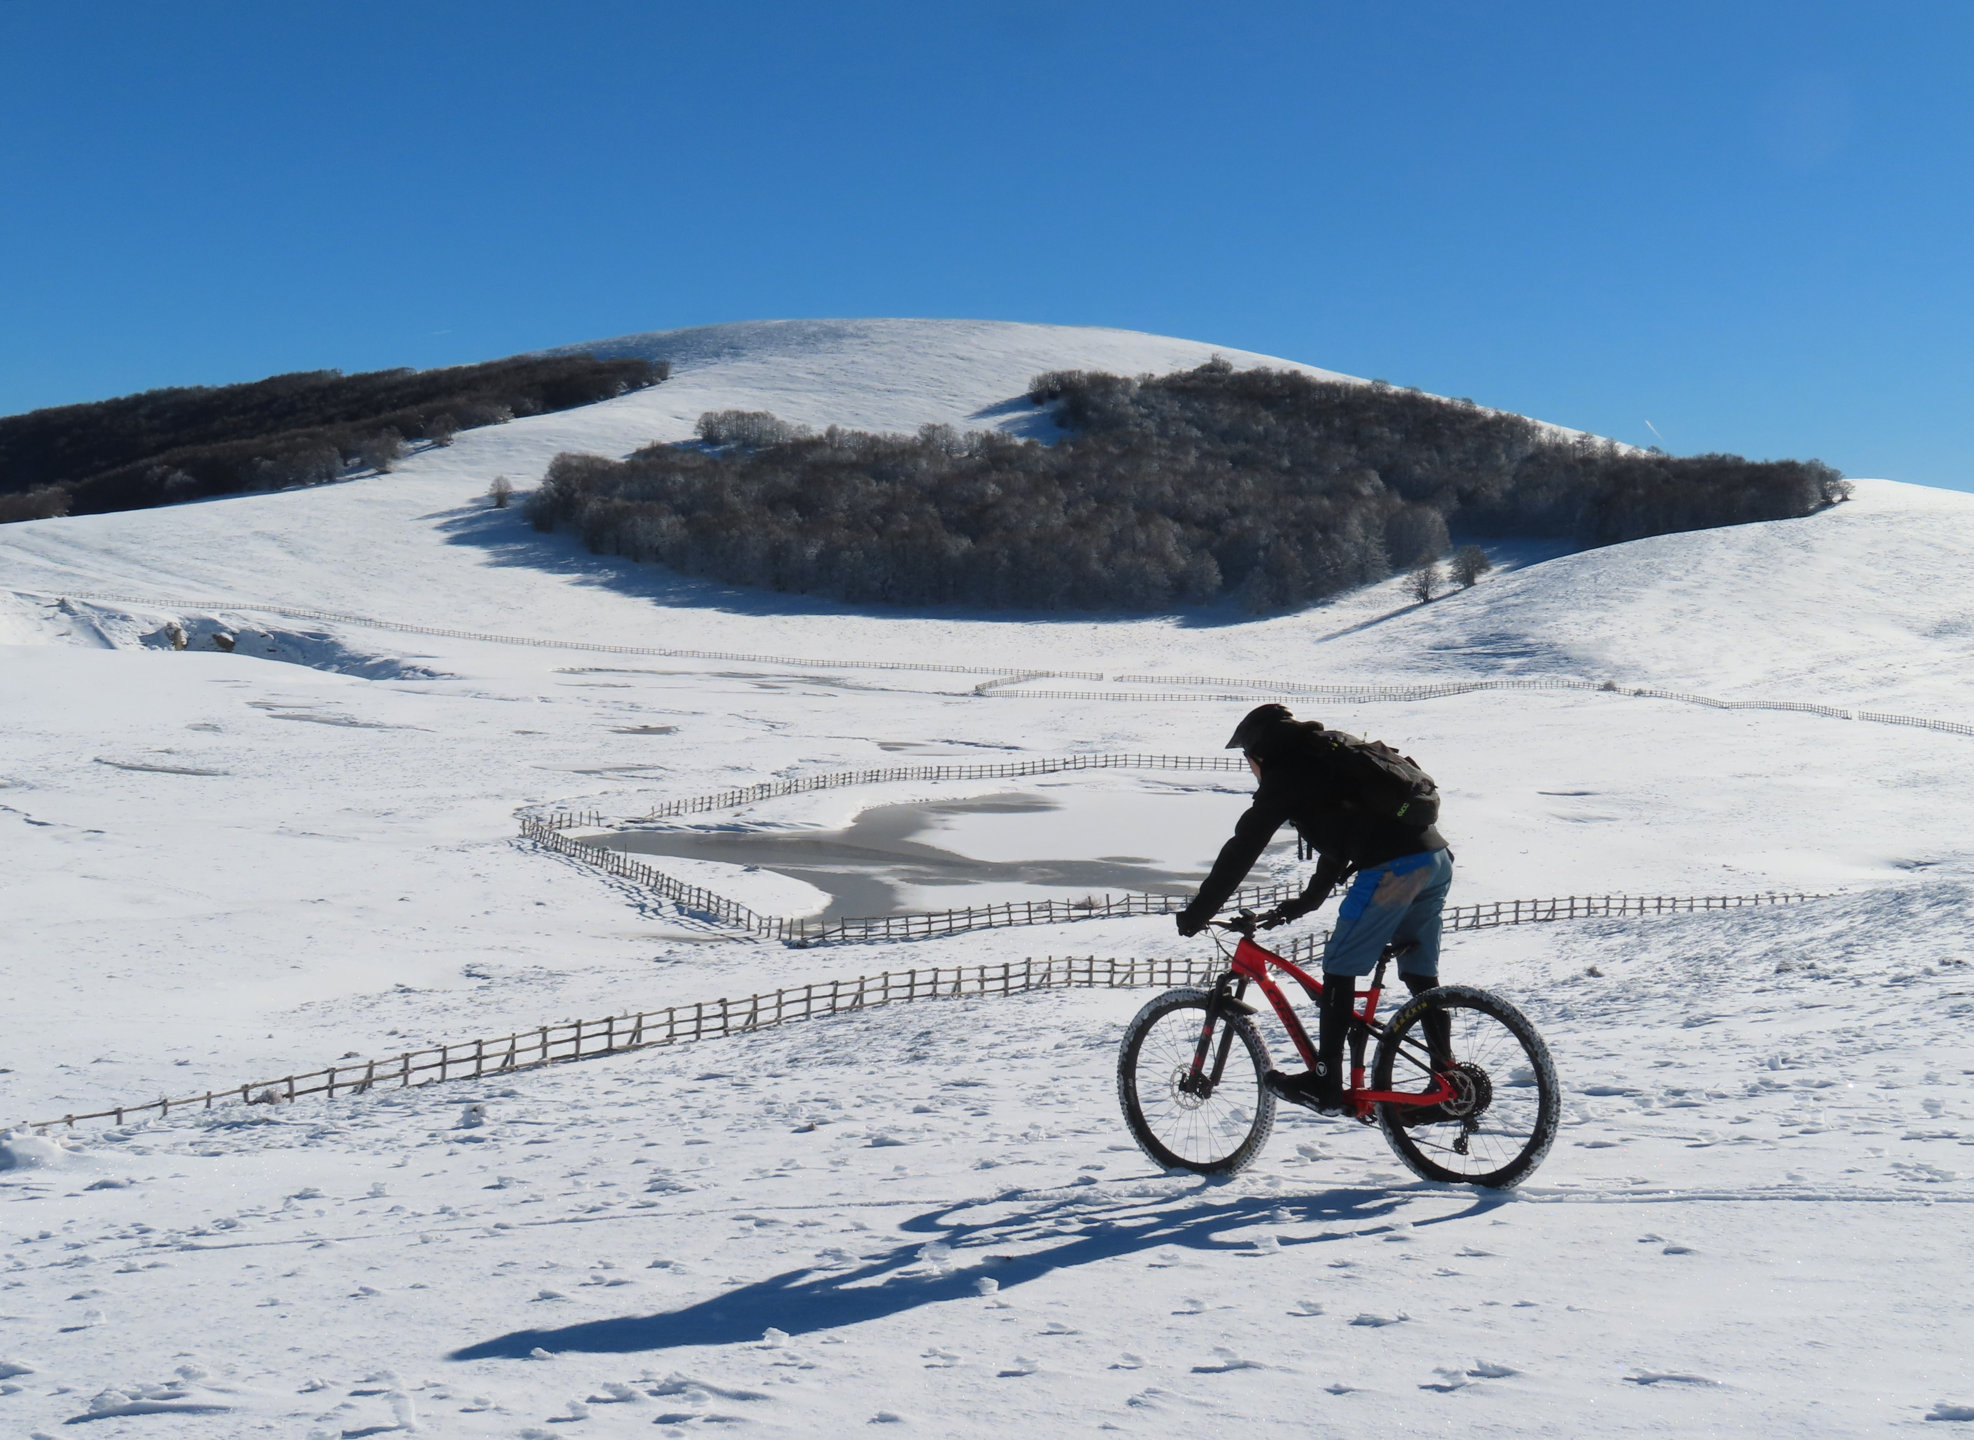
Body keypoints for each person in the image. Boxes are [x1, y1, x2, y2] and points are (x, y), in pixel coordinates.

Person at [1174, 703, 1453, 1115]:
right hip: (1435, 862)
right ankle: (1448, 1084)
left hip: (1394, 870)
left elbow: (1244, 846)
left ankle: (1325, 1083)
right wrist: (1303, 903)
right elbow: (1345, 837)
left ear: (1258, 754)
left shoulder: (1287, 772)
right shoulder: (1328, 753)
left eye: (1248, 763)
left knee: (1339, 965)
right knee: (1419, 976)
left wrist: (1199, 911)